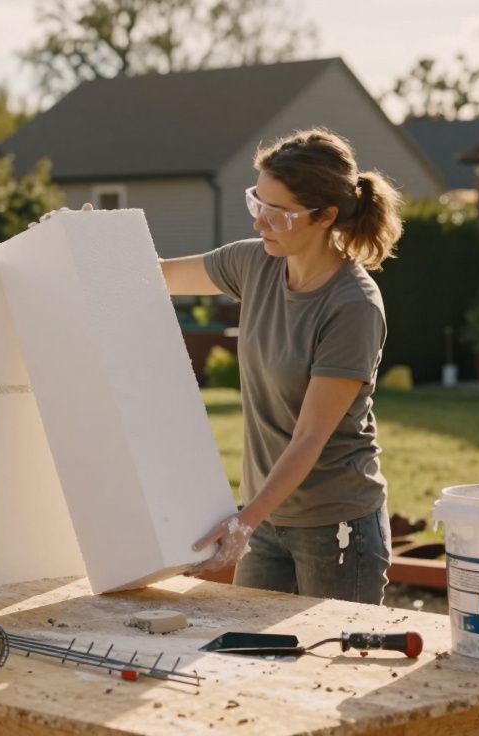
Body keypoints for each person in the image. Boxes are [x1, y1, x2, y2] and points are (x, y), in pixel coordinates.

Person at [164, 128, 403, 605]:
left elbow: (310, 436)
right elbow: (156, 275)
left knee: (334, 652)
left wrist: (245, 519)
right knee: (250, 648)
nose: (260, 222)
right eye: (257, 203)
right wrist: (88, 240)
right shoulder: (254, 264)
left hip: (336, 528)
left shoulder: (352, 305)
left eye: (278, 213)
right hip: (265, 518)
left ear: (326, 216)